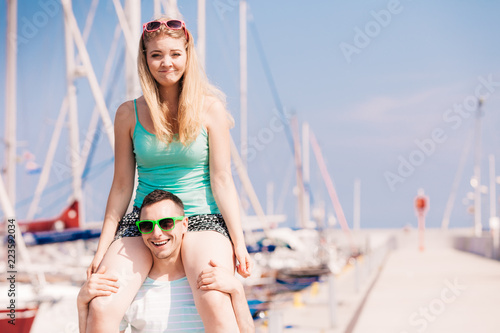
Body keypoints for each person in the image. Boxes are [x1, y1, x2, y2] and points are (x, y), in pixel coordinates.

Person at [84, 17, 252, 332]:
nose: (166, 63)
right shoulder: (127, 113)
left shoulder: (210, 109)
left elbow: (222, 180)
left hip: (202, 218)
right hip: (143, 222)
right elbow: (121, 186)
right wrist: (102, 247)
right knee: (102, 304)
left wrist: (239, 243)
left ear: (187, 55)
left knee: (215, 299)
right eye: (156, 55)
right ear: (145, 60)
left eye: (175, 53)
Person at [77, 190, 254, 332]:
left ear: (184, 224)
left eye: (166, 223)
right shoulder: (129, 289)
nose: (157, 233)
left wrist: (237, 290)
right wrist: (82, 304)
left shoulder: (209, 283)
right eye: (147, 226)